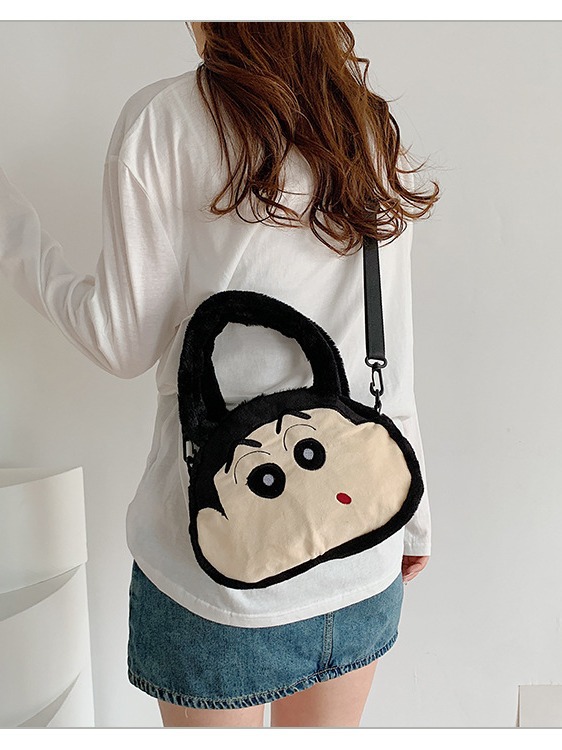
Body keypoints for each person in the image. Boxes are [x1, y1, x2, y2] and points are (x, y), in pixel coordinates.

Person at [0, 21, 438, 728]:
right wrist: (413, 518)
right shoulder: (367, 124)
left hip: (217, 572)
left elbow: (120, 342)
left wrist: (13, 234)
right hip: (361, 546)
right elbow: (387, 347)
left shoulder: (167, 120)